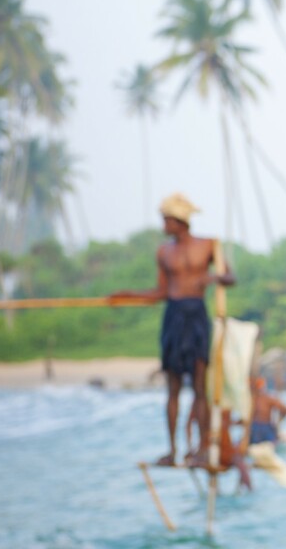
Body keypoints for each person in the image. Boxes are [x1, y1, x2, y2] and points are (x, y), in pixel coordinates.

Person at [110, 192, 235, 468]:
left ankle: (203, 448)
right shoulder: (164, 252)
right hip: (174, 317)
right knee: (173, 389)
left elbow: (230, 277)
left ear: (180, 221)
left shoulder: (209, 245)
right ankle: (172, 450)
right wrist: (128, 295)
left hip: (197, 315)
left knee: (200, 387)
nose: (163, 226)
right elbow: (160, 293)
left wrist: (212, 277)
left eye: (166, 220)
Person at [250, 376, 286, 445]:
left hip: (265, 427)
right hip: (255, 427)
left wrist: (279, 421)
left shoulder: (267, 398)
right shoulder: (251, 399)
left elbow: (285, 409)